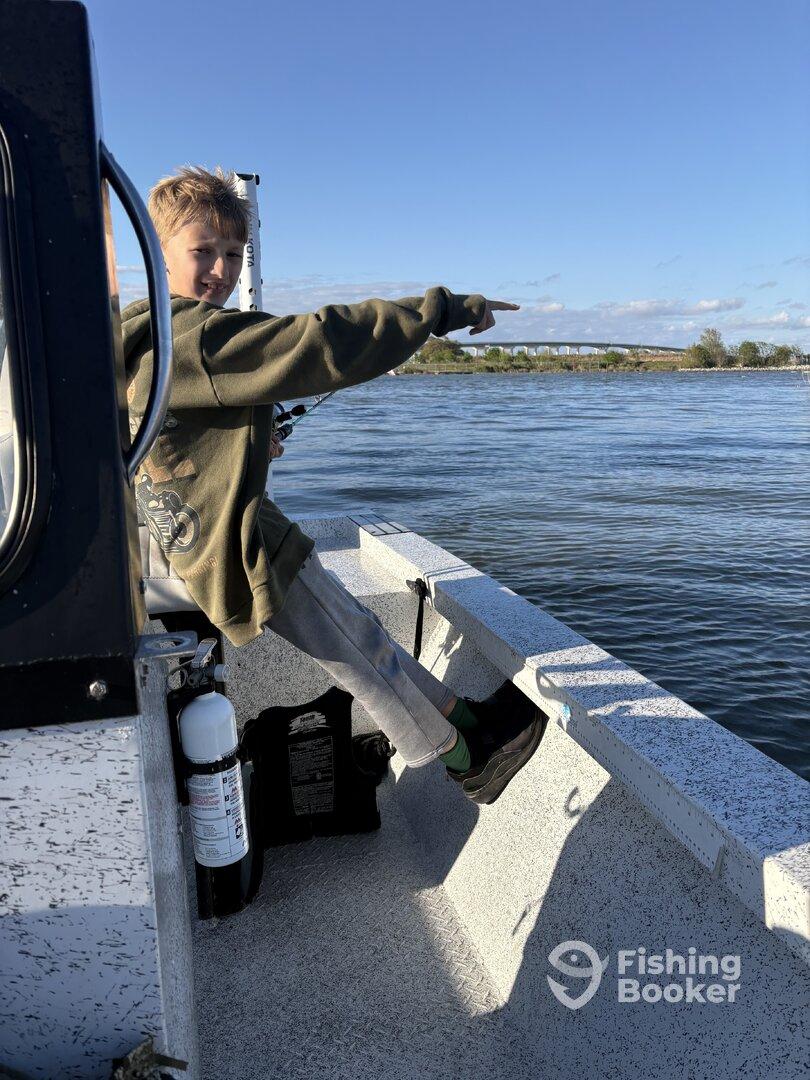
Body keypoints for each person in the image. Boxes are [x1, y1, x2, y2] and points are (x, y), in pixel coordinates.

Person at [123, 165, 545, 805]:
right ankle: (467, 761)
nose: (220, 270)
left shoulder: (144, 330)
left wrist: (248, 442)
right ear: (158, 252)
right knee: (354, 651)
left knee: (363, 631)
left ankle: (467, 718)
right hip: (225, 547)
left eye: (233, 254)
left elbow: (174, 434)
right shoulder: (196, 336)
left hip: (208, 525)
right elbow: (317, 343)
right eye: (202, 252)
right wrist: (439, 311)